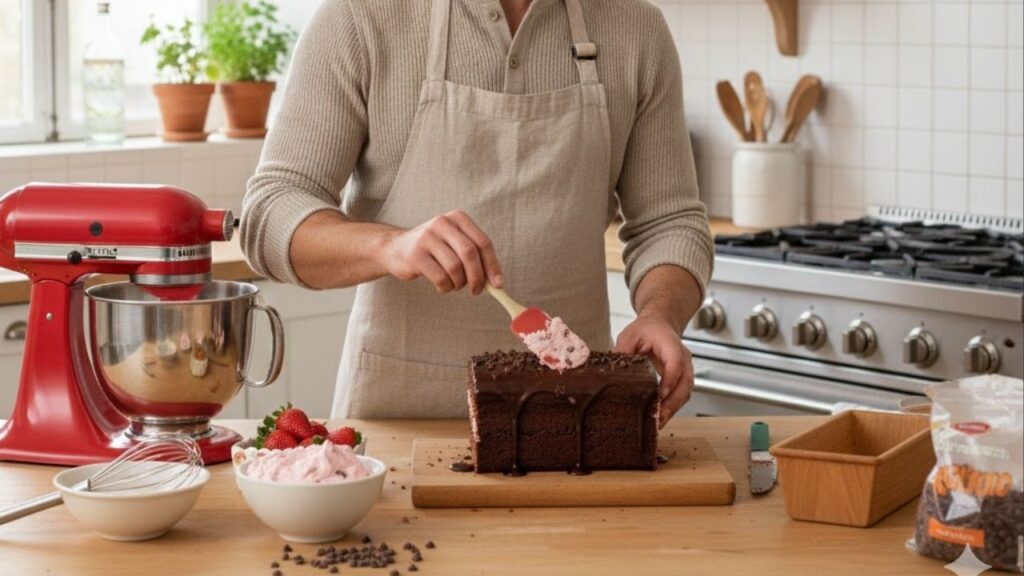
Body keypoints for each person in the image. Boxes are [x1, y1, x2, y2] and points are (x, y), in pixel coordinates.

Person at [240, 0, 713, 426]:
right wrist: (389, 245)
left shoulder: (637, 28)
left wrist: (660, 314)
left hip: (572, 421)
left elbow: (669, 222)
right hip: (398, 425)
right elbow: (272, 210)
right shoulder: (360, 17)